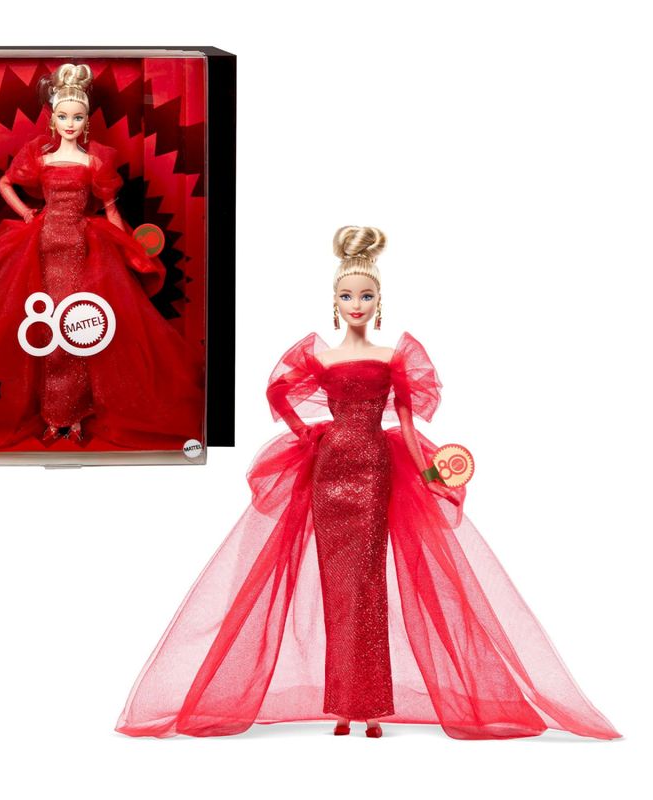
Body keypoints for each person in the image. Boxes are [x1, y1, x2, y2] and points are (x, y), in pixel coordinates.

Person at [115, 225, 619, 740]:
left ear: (379, 302)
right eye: (347, 296)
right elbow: (279, 391)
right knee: (337, 588)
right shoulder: (321, 357)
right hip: (329, 472)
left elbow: (408, 426)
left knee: (370, 586)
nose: (356, 304)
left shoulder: (392, 358)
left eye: (365, 296)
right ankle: (342, 706)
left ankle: (372, 707)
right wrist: (307, 434)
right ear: (334, 302)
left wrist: (431, 474)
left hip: (375, 472)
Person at [0, 63, 204, 452]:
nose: (70, 123)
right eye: (64, 116)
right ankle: (51, 414)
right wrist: (25, 212)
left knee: (83, 328)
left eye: (78, 117)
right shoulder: (40, 158)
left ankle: (76, 414)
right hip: (40, 251)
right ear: (52, 119)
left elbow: (111, 211)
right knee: (43, 331)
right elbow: (6, 183)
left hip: (85, 252)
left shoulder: (95, 162)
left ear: (87, 122)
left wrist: (130, 247)